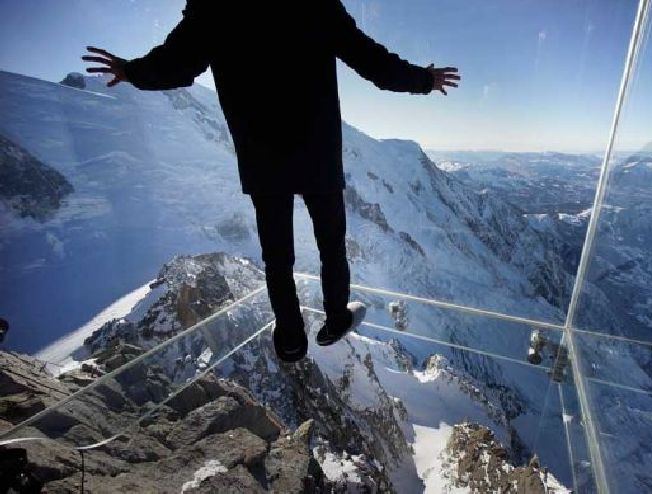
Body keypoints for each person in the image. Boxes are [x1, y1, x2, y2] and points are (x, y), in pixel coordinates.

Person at [82, 1, 460, 362]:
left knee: (277, 257)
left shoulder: (214, 7)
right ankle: (336, 319)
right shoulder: (316, 3)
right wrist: (423, 80)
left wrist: (132, 71)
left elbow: (177, 63)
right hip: (318, 150)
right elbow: (371, 61)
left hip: (263, 156)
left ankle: (291, 339)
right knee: (331, 245)